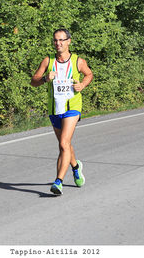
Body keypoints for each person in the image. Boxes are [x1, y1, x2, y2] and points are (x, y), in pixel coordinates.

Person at [31, 29, 93, 195]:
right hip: (55, 108)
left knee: (63, 143)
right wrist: (45, 78)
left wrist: (82, 85)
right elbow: (33, 81)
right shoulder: (48, 61)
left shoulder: (77, 61)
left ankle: (58, 182)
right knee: (66, 144)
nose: (58, 43)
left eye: (61, 40)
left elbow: (89, 74)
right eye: (55, 41)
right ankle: (75, 167)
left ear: (68, 41)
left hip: (72, 107)